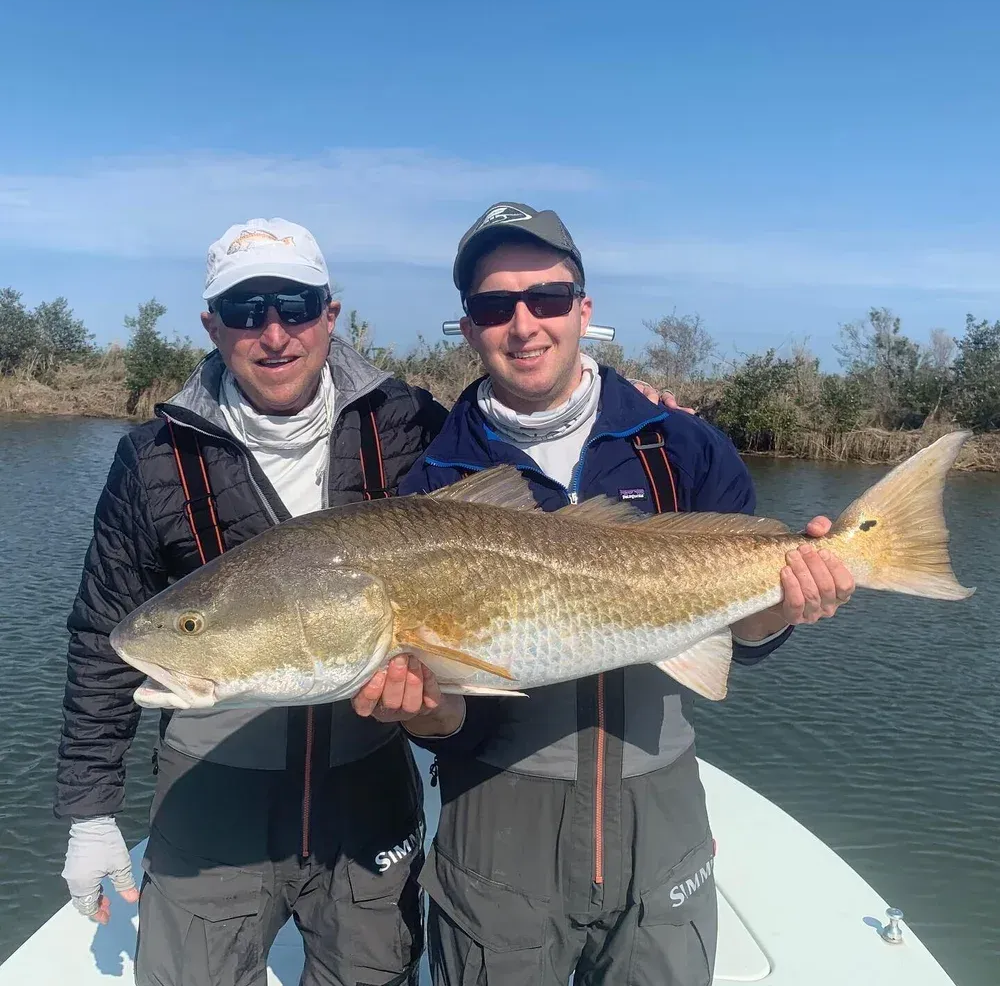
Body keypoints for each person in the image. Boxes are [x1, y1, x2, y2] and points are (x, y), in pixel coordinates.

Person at [352, 202, 856, 985]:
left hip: (659, 811)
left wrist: (786, 606)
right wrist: (425, 711)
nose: (524, 324)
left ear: (583, 310)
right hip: (499, 822)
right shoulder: (433, 485)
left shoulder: (678, 442)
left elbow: (744, 637)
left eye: (547, 299)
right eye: (495, 306)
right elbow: (453, 724)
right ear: (468, 326)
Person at [55, 218, 448, 986]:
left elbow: (518, 464)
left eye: (295, 306)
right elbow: (104, 633)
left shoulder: (408, 424)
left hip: (366, 784)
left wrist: (625, 399)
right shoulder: (153, 458)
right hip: (215, 788)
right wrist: (89, 808)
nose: (274, 333)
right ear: (213, 325)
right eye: (245, 310)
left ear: (330, 314)